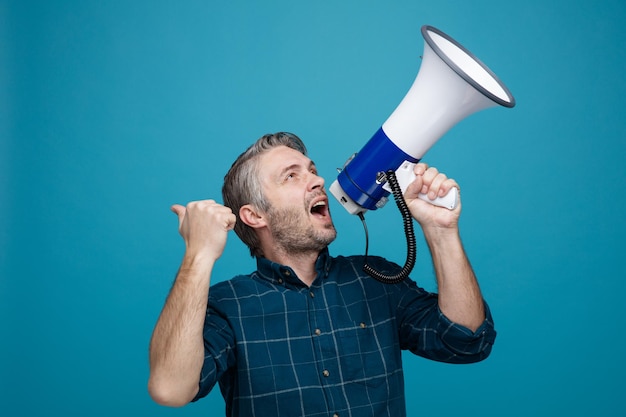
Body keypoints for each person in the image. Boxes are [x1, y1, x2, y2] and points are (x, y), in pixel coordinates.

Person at [148, 132, 496, 416]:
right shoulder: (228, 305)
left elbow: (466, 341)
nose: (316, 180)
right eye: (292, 175)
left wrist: (441, 229)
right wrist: (198, 254)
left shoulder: (374, 279)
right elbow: (170, 389)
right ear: (255, 216)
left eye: (312, 169)